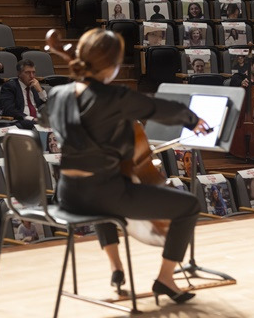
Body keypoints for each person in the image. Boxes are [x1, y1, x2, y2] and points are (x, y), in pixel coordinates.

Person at [42, 28, 208, 303]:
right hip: (106, 196)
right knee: (188, 206)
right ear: (112, 66)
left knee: (100, 195)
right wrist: (192, 119)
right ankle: (166, 279)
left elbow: (47, 121)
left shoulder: (59, 94)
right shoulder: (115, 97)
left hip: (69, 196)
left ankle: (116, 267)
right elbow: (157, 108)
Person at [0, 59, 47, 129]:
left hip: (39, 121)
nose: (32, 76)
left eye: (33, 72)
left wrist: (40, 91)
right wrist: (31, 118)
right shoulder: (10, 87)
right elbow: (8, 109)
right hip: (22, 120)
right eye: (27, 73)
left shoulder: (37, 88)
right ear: (19, 73)